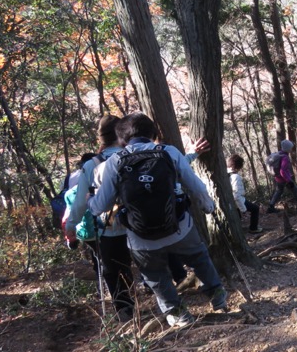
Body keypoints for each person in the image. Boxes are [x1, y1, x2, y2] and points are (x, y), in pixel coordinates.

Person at [88, 112, 227, 328]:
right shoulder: (168, 152)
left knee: (155, 274)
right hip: (179, 226)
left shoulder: (115, 162)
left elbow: (102, 206)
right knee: (198, 256)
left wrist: (90, 202)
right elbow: (195, 185)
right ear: (153, 134)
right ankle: (217, 295)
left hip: (141, 237)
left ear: (122, 140)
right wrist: (208, 206)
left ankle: (179, 314)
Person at [64, 116, 135, 322]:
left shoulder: (92, 164)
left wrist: (71, 226)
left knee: (112, 270)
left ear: (101, 138)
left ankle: (125, 309)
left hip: (108, 228)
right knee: (137, 263)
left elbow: (79, 203)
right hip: (139, 223)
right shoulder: (132, 155)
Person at [266, 139, 297, 213]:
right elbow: (282, 171)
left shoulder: (279, 154)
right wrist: (289, 181)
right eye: (291, 147)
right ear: (288, 148)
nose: (291, 149)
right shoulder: (285, 157)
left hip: (278, 178)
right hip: (284, 179)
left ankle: (271, 206)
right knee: (295, 189)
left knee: (279, 191)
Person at [227, 154, 262, 233]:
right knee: (255, 209)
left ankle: (238, 233)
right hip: (237, 201)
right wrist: (243, 209)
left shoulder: (225, 173)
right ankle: (253, 228)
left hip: (229, 202)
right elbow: (236, 195)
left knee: (237, 218)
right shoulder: (235, 177)